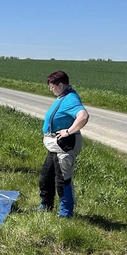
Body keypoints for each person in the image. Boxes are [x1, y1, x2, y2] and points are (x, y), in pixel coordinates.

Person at [39, 71, 89, 218]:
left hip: (64, 145)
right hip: (54, 147)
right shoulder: (63, 97)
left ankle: (66, 213)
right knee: (46, 177)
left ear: (60, 85)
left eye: (52, 86)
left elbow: (83, 116)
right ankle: (46, 206)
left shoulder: (70, 99)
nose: (50, 89)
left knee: (63, 180)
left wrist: (68, 131)